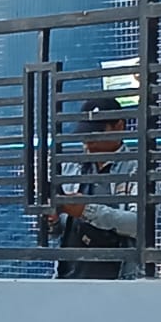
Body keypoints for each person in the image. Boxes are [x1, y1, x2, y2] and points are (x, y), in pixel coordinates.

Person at [52, 96, 144, 280]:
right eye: (85, 134)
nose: (88, 142)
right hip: (67, 279)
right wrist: (53, 221)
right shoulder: (69, 168)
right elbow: (58, 231)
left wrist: (87, 210)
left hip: (119, 284)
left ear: (119, 126)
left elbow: (141, 224)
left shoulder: (138, 169)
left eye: (96, 133)